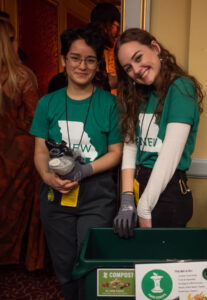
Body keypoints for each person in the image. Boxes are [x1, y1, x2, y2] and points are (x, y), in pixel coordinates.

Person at [30, 25, 122, 300]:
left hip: (97, 196)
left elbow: (116, 152)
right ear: (63, 60)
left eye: (90, 59)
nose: (82, 65)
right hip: (56, 195)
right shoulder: (47, 103)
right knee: (64, 262)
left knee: (91, 259)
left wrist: (86, 169)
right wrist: (47, 177)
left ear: (98, 65)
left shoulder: (110, 104)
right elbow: (39, 152)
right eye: (75, 58)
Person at [113, 28, 204, 239]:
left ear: (155, 48)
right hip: (139, 183)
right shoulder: (139, 94)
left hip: (167, 190)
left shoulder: (181, 88)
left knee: (158, 269)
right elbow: (130, 146)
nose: (136, 69)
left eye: (138, 58)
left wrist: (144, 206)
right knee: (138, 263)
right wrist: (127, 198)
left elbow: (169, 156)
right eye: (128, 67)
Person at [0, 20, 42, 269]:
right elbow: (34, 121)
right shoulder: (22, 76)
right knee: (23, 208)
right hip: (20, 152)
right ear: (8, 42)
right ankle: (24, 259)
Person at [90, 2, 120, 95]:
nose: (118, 33)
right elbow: (98, 85)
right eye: (116, 27)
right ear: (107, 24)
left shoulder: (93, 43)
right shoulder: (91, 45)